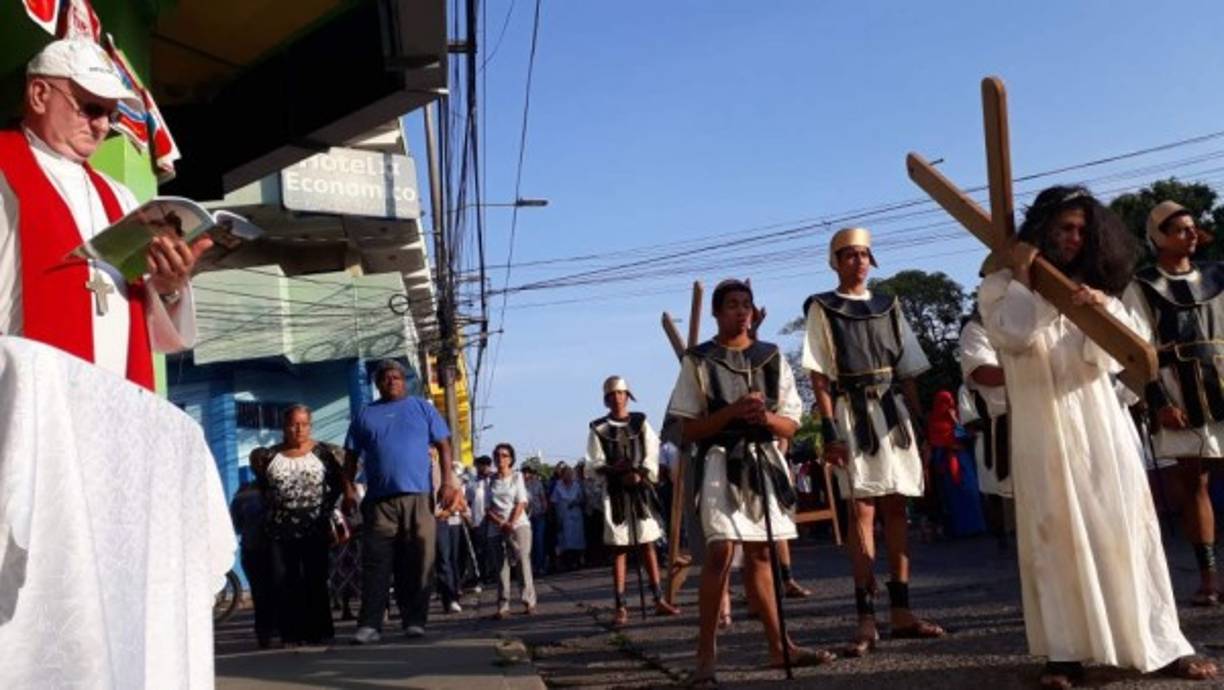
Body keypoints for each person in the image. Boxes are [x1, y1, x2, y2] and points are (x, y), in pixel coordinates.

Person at [978, 185, 1215, 687]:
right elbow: (1013, 336)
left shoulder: (1097, 287)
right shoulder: (999, 284)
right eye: (1064, 227)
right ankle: (1064, 655)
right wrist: (1028, 280)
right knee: (1053, 536)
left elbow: (1120, 358)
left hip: (1100, 425)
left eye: (1082, 231)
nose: (1073, 238)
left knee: (1125, 530)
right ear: (1042, 227)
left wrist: (1099, 307)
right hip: (1041, 429)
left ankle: (1158, 643)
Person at [0, 39, 206, 388]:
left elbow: (148, 330)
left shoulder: (121, 198)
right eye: (91, 108)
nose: (101, 126)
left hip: (114, 396)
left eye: (111, 116)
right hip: (23, 391)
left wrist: (168, 287)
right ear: (39, 94)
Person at [668, 278, 834, 686]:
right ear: (717, 312)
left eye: (746, 304)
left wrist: (764, 418)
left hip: (762, 460)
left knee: (761, 554)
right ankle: (705, 655)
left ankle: (780, 647)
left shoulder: (770, 356)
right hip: (719, 463)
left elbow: (792, 423)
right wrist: (731, 413)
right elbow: (688, 429)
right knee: (721, 552)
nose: (741, 311)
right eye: (732, 305)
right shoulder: (698, 360)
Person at [801, 227, 943, 656]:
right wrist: (829, 430)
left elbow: (909, 368)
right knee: (861, 510)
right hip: (851, 413)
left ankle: (901, 611)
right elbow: (819, 374)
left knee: (897, 507)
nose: (858, 261)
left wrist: (919, 423)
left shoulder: (889, 306)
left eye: (863, 254)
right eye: (849, 255)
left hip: (892, 414)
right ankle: (866, 617)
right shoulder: (823, 307)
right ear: (836, 262)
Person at [1123, 200, 1224, 606]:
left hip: (1221, 379)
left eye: (1192, 227)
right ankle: (1209, 579)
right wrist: (1158, 400)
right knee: (1194, 482)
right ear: (1159, 237)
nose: (1191, 234)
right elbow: (1135, 350)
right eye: (1180, 229)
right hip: (1177, 389)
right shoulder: (1142, 285)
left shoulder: (1218, 274)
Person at [345, 359, 456, 643]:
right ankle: (370, 625)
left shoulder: (422, 408)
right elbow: (350, 457)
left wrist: (447, 482)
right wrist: (348, 490)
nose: (392, 381)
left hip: (418, 498)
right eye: (386, 378)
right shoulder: (365, 414)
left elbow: (444, 445)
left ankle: (414, 620)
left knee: (418, 562)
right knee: (376, 564)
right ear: (378, 384)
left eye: (396, 377)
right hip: (379, 502)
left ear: (404, 381)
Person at [252, 405, 355, 647]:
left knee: (315, 579)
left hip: (315, 527)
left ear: (310, 426)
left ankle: (320, 631)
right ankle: (290, 634)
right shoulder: (268, 457)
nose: (298, 429)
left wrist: (331, 509)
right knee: (284, 581)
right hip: (279, 530)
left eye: (304, 424)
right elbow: (264, 488)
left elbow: (341, 483)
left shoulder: (326, 453)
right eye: (293, 424)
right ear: (284, 427)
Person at [586, 375, 682, 625]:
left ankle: (658, 598)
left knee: (647, 542)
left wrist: (640, 473)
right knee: (619, 547)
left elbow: (652, 451)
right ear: (606, 399)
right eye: (612, 395)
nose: (617, 398)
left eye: (621, 393)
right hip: (615, 492)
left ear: (627, 396)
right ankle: (620, 606)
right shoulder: (598, 428)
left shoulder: (640, 422)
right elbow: (594, 462)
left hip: (640, 490)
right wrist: (616, 473)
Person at [958, 307, 1013, 551]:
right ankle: (1001, 534)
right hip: (992, 433)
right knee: (996, 489)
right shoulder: (976, 330)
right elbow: (968, 419)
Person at [486, 443, 537, 618]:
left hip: (518, 524)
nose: (500, 458)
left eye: (504, 455)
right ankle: (503, 605)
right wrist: (501, 523)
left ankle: (528, 600)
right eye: (497, 455)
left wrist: (510, 523)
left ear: (511, 459)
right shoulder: (490, 480)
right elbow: (487, 507)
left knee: (522, 561)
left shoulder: (517, 477)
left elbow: (521, 502)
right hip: (496, 526)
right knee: (501, 566)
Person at [925, 390, 986, 539]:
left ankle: (975, 527)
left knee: (970, 492)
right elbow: (939, 440)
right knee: (954, 497)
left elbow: (964, 434)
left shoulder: (955, 416)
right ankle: (960, 529)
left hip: (961, 460)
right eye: (945, 402)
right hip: (948, 462)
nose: (949, 404)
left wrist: (956, 422)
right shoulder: (935, 420)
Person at [230, 470, 274, 648]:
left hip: (252, 547)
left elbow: (236, 525)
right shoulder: (277, 490)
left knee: (259, 592)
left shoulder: (242, 495)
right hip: (272, 547)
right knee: (275, 589)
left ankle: (264, 632)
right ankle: (273, 629)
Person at [435, 462, 470, 614]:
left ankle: (450, 598)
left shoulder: (443, 469)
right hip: (419, 519)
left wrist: (449, 510)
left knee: (445, 559)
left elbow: (458, 492)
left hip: (440, 519)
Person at [466, 454, 495, 590]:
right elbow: (468, 501)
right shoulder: (473, 482)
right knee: (480, 550)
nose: (479, 468)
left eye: (482, 466)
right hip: (478, 520)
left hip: (494, 520)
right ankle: (482, 576)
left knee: (493, 549)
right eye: (478, 466)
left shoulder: (494, 480)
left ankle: (494, 574)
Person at [551, 462, 587, 571]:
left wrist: (576, 502)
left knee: (577, 539)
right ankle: (567, 562)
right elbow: (553, 502)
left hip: (576, 516)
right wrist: (556, 517)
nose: (569, 476)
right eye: (566, 474)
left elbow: (583, 499)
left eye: (570, 474)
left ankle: (577, 561)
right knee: (564, 541)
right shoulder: (558, 486)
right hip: (563, 516)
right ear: (562, 475)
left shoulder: (577, 485)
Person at [523, 465, 550, 576]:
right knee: (530, 543)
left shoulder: (537, 484)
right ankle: (532, 567)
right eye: (524, 473)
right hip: (527, 518)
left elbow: (543, 498)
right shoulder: (521, 486)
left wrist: (544, 509)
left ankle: (541, 566)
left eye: (527, 473)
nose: (525, 475)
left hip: (539, 515)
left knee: (539, 541)